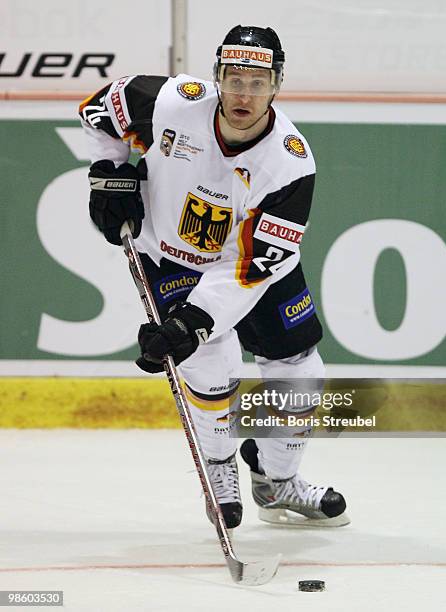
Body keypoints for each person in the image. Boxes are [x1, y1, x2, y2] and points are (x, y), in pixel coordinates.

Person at [79, 25, 348, 529]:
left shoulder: (290, 165)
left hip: (256, 269)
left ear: (278, 83)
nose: (244, 94)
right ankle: (221, 465)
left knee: (302, 377)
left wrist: (194, 319)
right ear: (217, 77)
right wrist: (107, 171)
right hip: (172, 256)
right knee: (209, 364)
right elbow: (98, 109)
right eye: (234, 78)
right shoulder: (170, 102)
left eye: (258, 81)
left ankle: (277, 482)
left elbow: (249, 269)